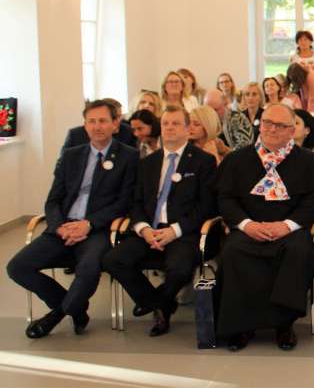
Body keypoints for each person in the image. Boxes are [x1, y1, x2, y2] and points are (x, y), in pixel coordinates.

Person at [7, 99, 139, 339]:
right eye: (91, 121)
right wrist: (59, 227)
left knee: (88, 269)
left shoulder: (129, 157)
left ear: (115, 124)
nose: (97, 126)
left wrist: (88, 224)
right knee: (17, 267)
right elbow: (53, 200)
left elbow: (124, 203)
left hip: (98, 229)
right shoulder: (71, 156)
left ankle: (55, 316)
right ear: (85, 125)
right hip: (63, 227)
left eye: (103, 121)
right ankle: (75, 308)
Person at [215, 103, 314, 352]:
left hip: (289, 230)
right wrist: (247, 225)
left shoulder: (308, 160)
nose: (272, 129)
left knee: (298, 252)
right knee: (233, 252)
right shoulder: (237, 159)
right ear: (260, 124)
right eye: (267, 123)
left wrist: (287, 225)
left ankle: (283, 325)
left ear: (292, 131)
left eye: (280, 125)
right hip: (248, 229)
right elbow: (225, 199)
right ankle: (242, 327)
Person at [102, 105, 217, 337]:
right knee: (113, 260)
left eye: (176, 123)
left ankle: (158, 304)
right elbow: (135, 202)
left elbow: (206, 206)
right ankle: (159, 303)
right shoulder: (147, 163)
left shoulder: (203, 161)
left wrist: (174, 231)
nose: (169, 128)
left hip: (182, 233)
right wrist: (144, 229)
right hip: (149, 231)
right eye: (165, 123)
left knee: (180, 269)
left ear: (187, 129)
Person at [63, 98, 137, 152]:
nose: (118, 120)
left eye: (119, 116)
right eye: (115, 117)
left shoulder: (128, 132)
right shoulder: (75, 135)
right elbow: (63, 163)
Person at [293, 109, 314, 175]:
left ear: (307, 130)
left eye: (296, 123)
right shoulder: (279, 150)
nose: (291, 126)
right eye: (289, 123)